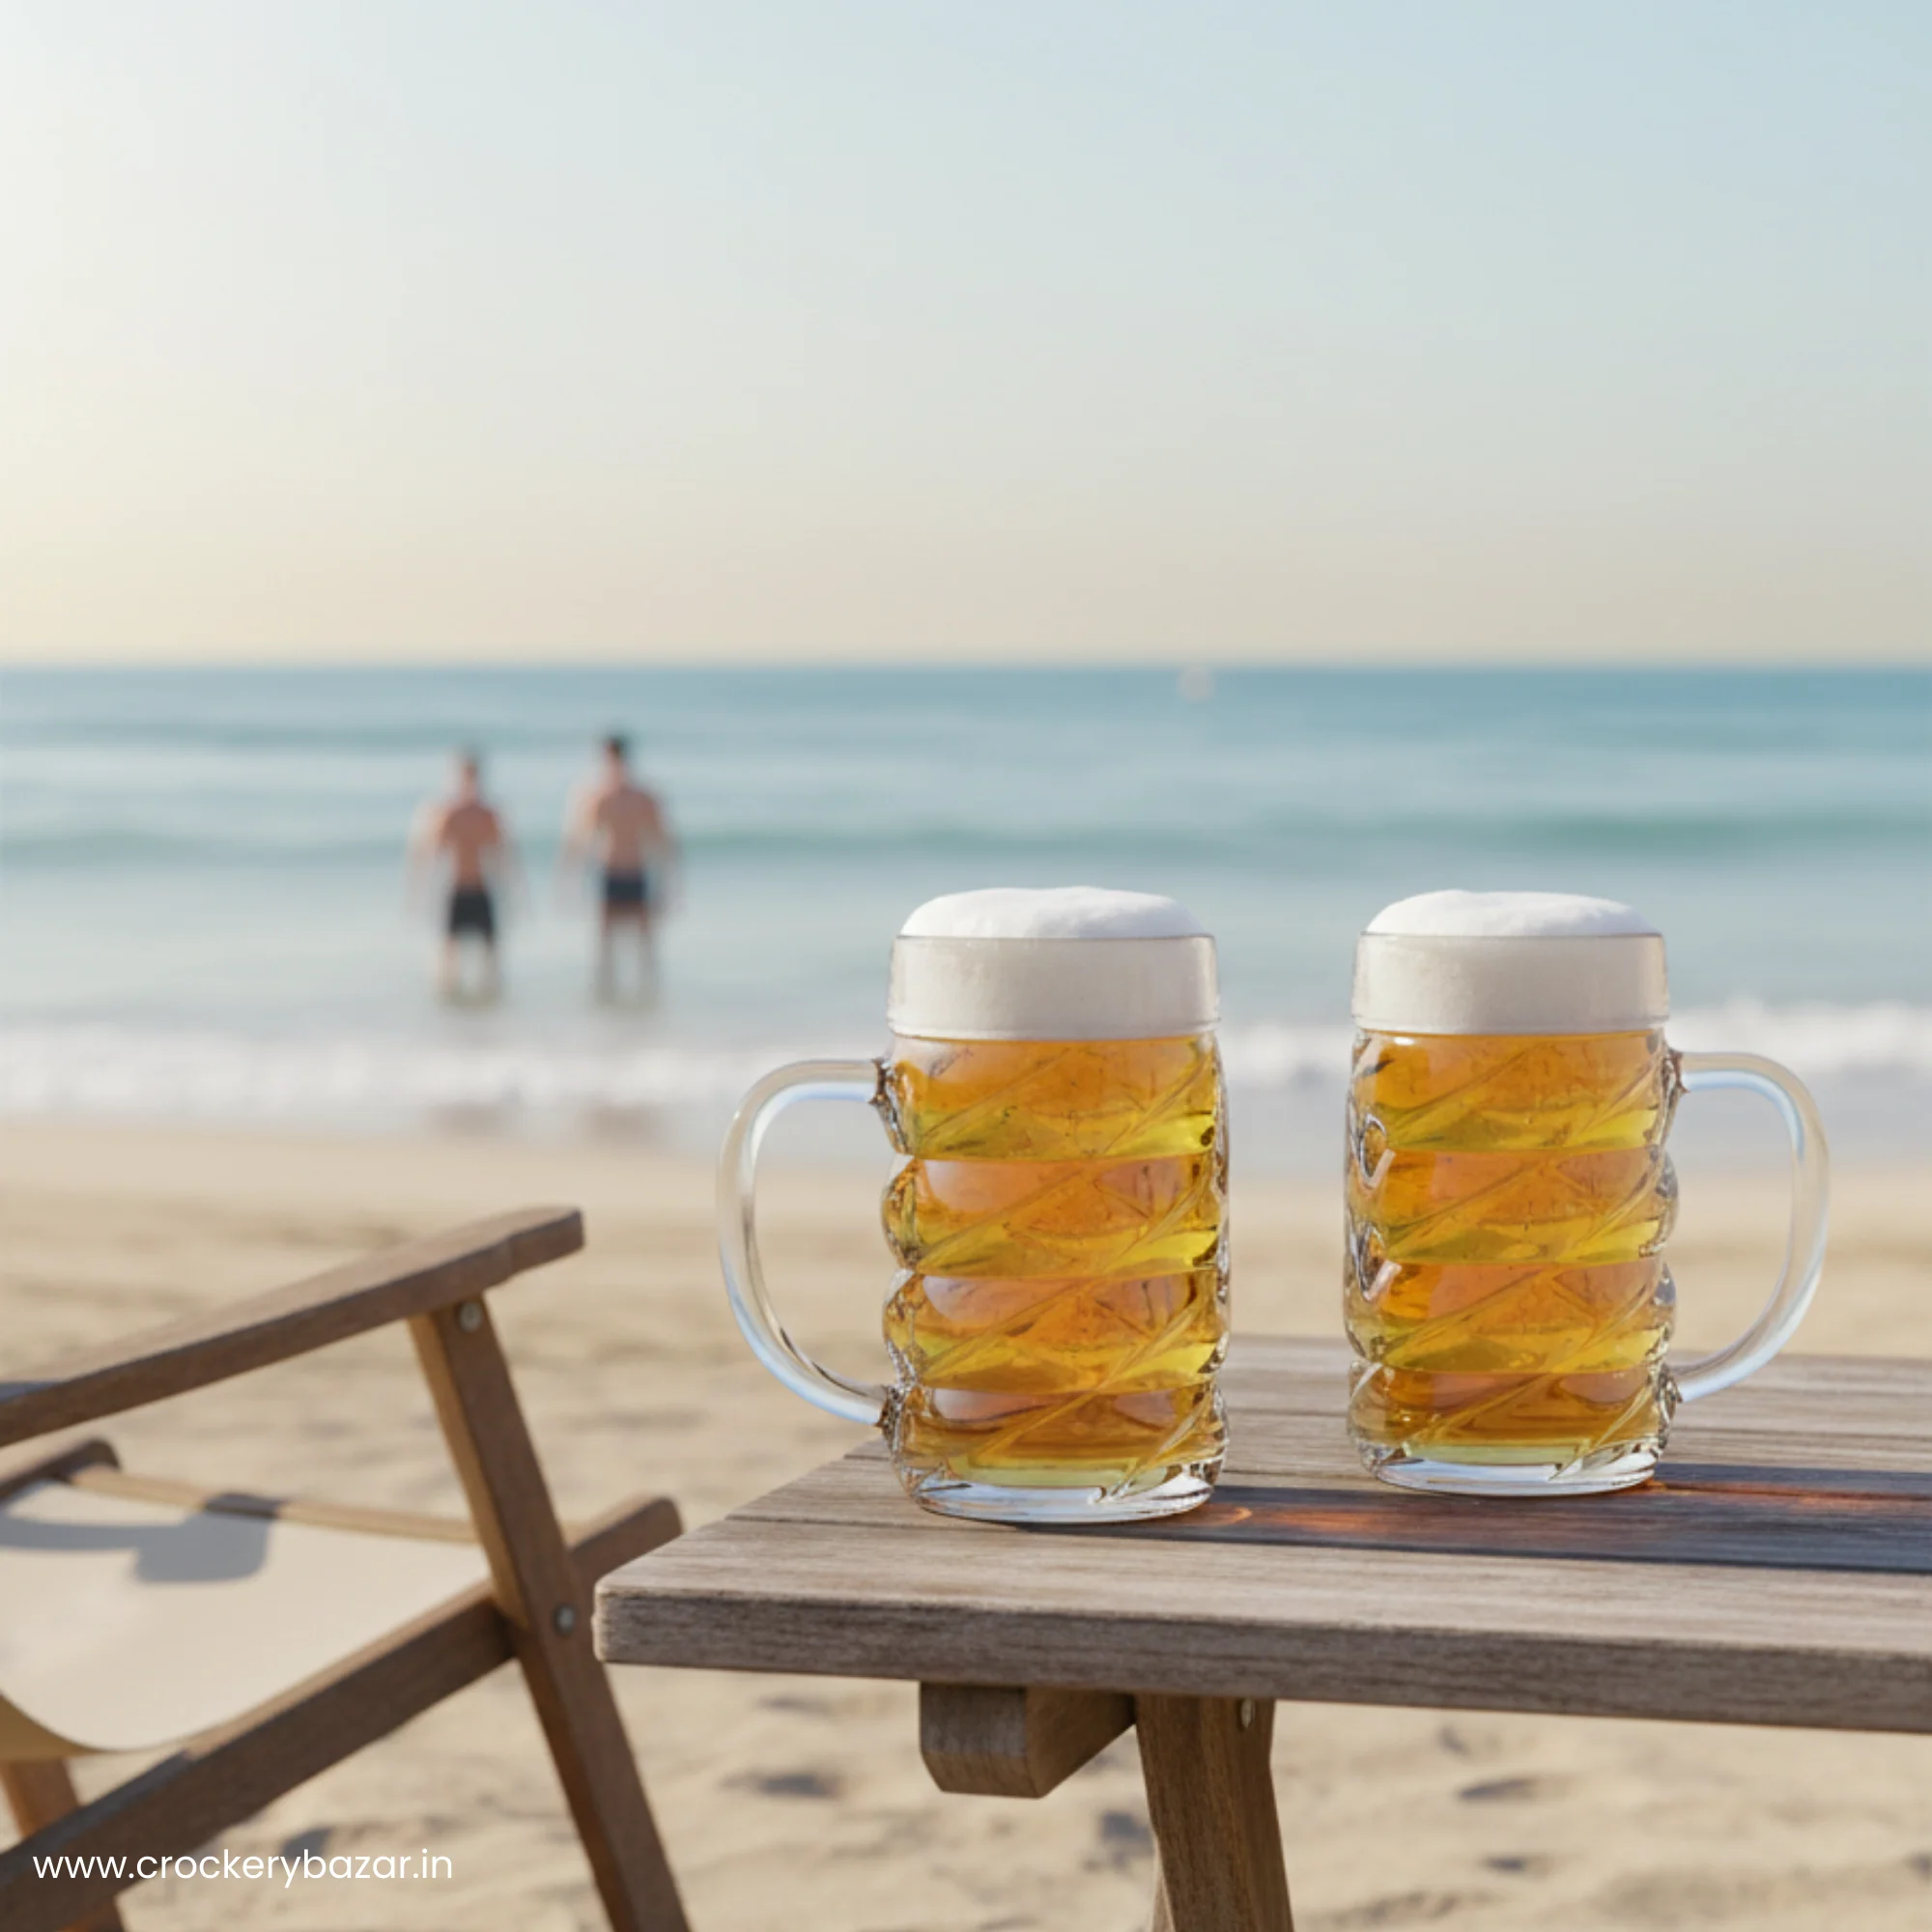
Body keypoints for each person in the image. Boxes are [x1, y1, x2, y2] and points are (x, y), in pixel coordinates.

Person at [561, 733, 678, 1000]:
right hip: (608, 872)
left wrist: (669, 883)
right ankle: (606, 999)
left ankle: (648, 998)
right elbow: (579, 841)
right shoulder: (596, 796)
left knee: (644, 943)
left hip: (636, 871)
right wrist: (569, 880)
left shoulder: (644, 796)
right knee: (606, 944)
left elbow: (662, 841)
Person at [410, 749, 518, 1003]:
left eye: (472, 774)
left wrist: (513, 892)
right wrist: (418, 892)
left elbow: (503, 856)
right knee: (449, 956)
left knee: (491, 956)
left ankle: (489, 1006)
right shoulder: (446, 813)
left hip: (480, 887)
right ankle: (448, 1010)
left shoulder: (488, 813)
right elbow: (427, 854)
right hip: (456, 888)